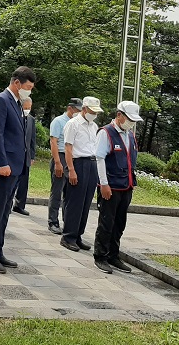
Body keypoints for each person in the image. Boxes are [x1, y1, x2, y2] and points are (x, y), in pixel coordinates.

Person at [0, 66, 36, 274]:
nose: (29, 91)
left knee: (4, 213)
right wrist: (2, 163)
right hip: (3, 167)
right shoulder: (1, 101)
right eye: (27, 87)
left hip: (14, 167)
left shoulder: (17, 102)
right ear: (16, 83)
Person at [92, 101, 142, 274]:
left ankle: (113, 255)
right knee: (106, 222)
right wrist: (103, 184)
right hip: (110, 186)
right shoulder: (106, 133)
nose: (131, 123)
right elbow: (99, 159)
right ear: (119, 115)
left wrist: (131, 181)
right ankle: (100, 256)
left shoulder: (130, 135)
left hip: (126, 186)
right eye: (129, 119)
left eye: (134, 120)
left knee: (120, 223)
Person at [60, 96, 102, 252]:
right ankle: (68, 236)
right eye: (92, 111)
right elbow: (68, 148)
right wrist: (71, 169)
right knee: (75, 202)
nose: (94, 114)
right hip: (78, 163)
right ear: (84, 109)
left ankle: (78, 235)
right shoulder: (73, 124)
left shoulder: (94, 126)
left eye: (96, 112)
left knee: (86, 202)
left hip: (91, 163)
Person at [47, 98, 82, 234]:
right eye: (77, 110)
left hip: (72, 158)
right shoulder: (59, 121)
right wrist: (57, 162)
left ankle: (67, 221)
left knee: (69, 193)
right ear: (70, 108)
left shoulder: (77, 123)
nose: (79, 112)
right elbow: (53, 142)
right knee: (57, 191)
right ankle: (53, 221)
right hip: (61, 156)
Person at [12, 96, 37, 215]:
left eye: (29, 108)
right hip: (16, 155)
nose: (27, 110)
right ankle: (8, 203)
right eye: (25, 107)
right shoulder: (16, 117)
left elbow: (32, 139)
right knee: (13, 181)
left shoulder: (31, 119)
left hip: (26, 155)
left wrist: (32, 156)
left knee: (24, 182)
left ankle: (19, 205)